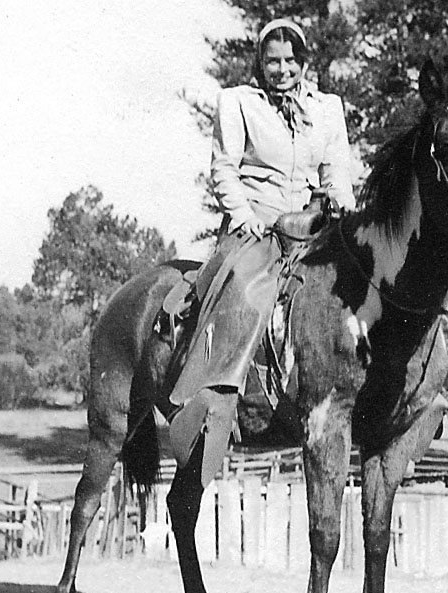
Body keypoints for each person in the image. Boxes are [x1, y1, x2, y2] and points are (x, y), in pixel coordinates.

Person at [166, 18, 356, 486]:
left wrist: (341, 203)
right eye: (272, 60)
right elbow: (224, 169)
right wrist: (246, 214)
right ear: (260, 63)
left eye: (291, 60)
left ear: (304, 62)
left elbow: (338, 173)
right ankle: (217, 408)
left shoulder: (328, 109)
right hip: (259, 228)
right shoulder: (237, 103)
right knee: (245, 298)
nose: (282, 69)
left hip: (314, 227)